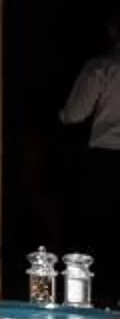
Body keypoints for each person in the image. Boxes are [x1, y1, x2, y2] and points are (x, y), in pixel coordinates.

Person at [59, 18, 120, 257]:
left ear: (112, 30)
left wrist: (60, 115)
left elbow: (74, 114)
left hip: (106, 159)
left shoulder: (101, 68)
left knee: (100, 231)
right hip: (105, 160)